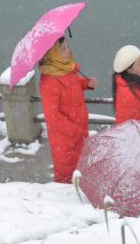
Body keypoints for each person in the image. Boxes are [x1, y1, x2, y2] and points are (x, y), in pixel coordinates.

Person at [38, 36, 97, 183]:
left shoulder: (67, 69)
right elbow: (53, 116)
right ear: (53, 54)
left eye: (67, 47)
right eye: (63, 50)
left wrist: (86, 84)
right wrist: (74, 130)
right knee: (67, 176)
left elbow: (73, 85)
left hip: (79, 131)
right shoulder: (49, 81)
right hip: (65, 140)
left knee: (81, 170)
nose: (67, 52)